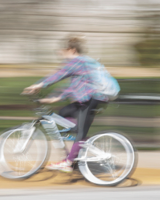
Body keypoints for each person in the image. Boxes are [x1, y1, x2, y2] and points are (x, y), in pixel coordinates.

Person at [23, 36, 110, 173]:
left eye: (64, 50)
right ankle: (79, 146)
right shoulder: (81, 65)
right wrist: (54, 98)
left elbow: (59, 74)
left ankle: (68, 162)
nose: (62, 53)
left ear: (72, 50)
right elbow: (72, 87)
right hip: (88, 99)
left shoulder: (78, 61)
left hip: (93, 99)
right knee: (64, 113)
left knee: (80, 131)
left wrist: (39, 85)